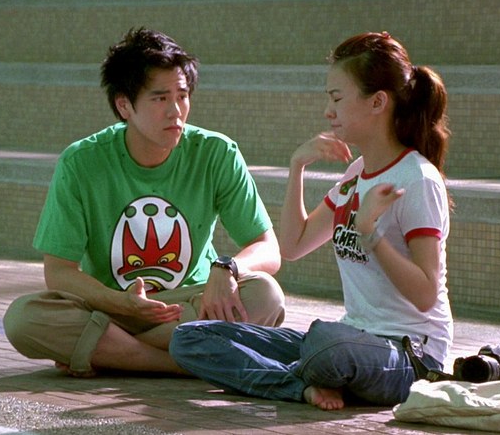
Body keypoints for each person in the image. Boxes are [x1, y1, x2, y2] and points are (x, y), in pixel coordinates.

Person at [169, 31, 454, 410]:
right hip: (353, 340)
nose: (328, 111)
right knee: (191, 338)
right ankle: (297, 386)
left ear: (377, 102)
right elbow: (294, 245)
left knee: (326, 347)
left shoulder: (417, 179)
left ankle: (297, 375)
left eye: (337, 98)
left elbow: (425, 295)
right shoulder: (357, 173)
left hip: (408, 356)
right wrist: (297, 166)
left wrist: (370, 233)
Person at [3, 28, 285, 377]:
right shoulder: (81, 162)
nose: (175, 111)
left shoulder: (216, 153)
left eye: (182, 96)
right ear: (124, 105)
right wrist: (122, 303)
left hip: (191, 304)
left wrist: (225, 269)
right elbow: (59, 272)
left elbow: (267, 248)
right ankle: (183, 361)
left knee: (265, 295)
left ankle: (113, 355)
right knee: (24, 318)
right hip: (115, 308)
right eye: (159, 98)